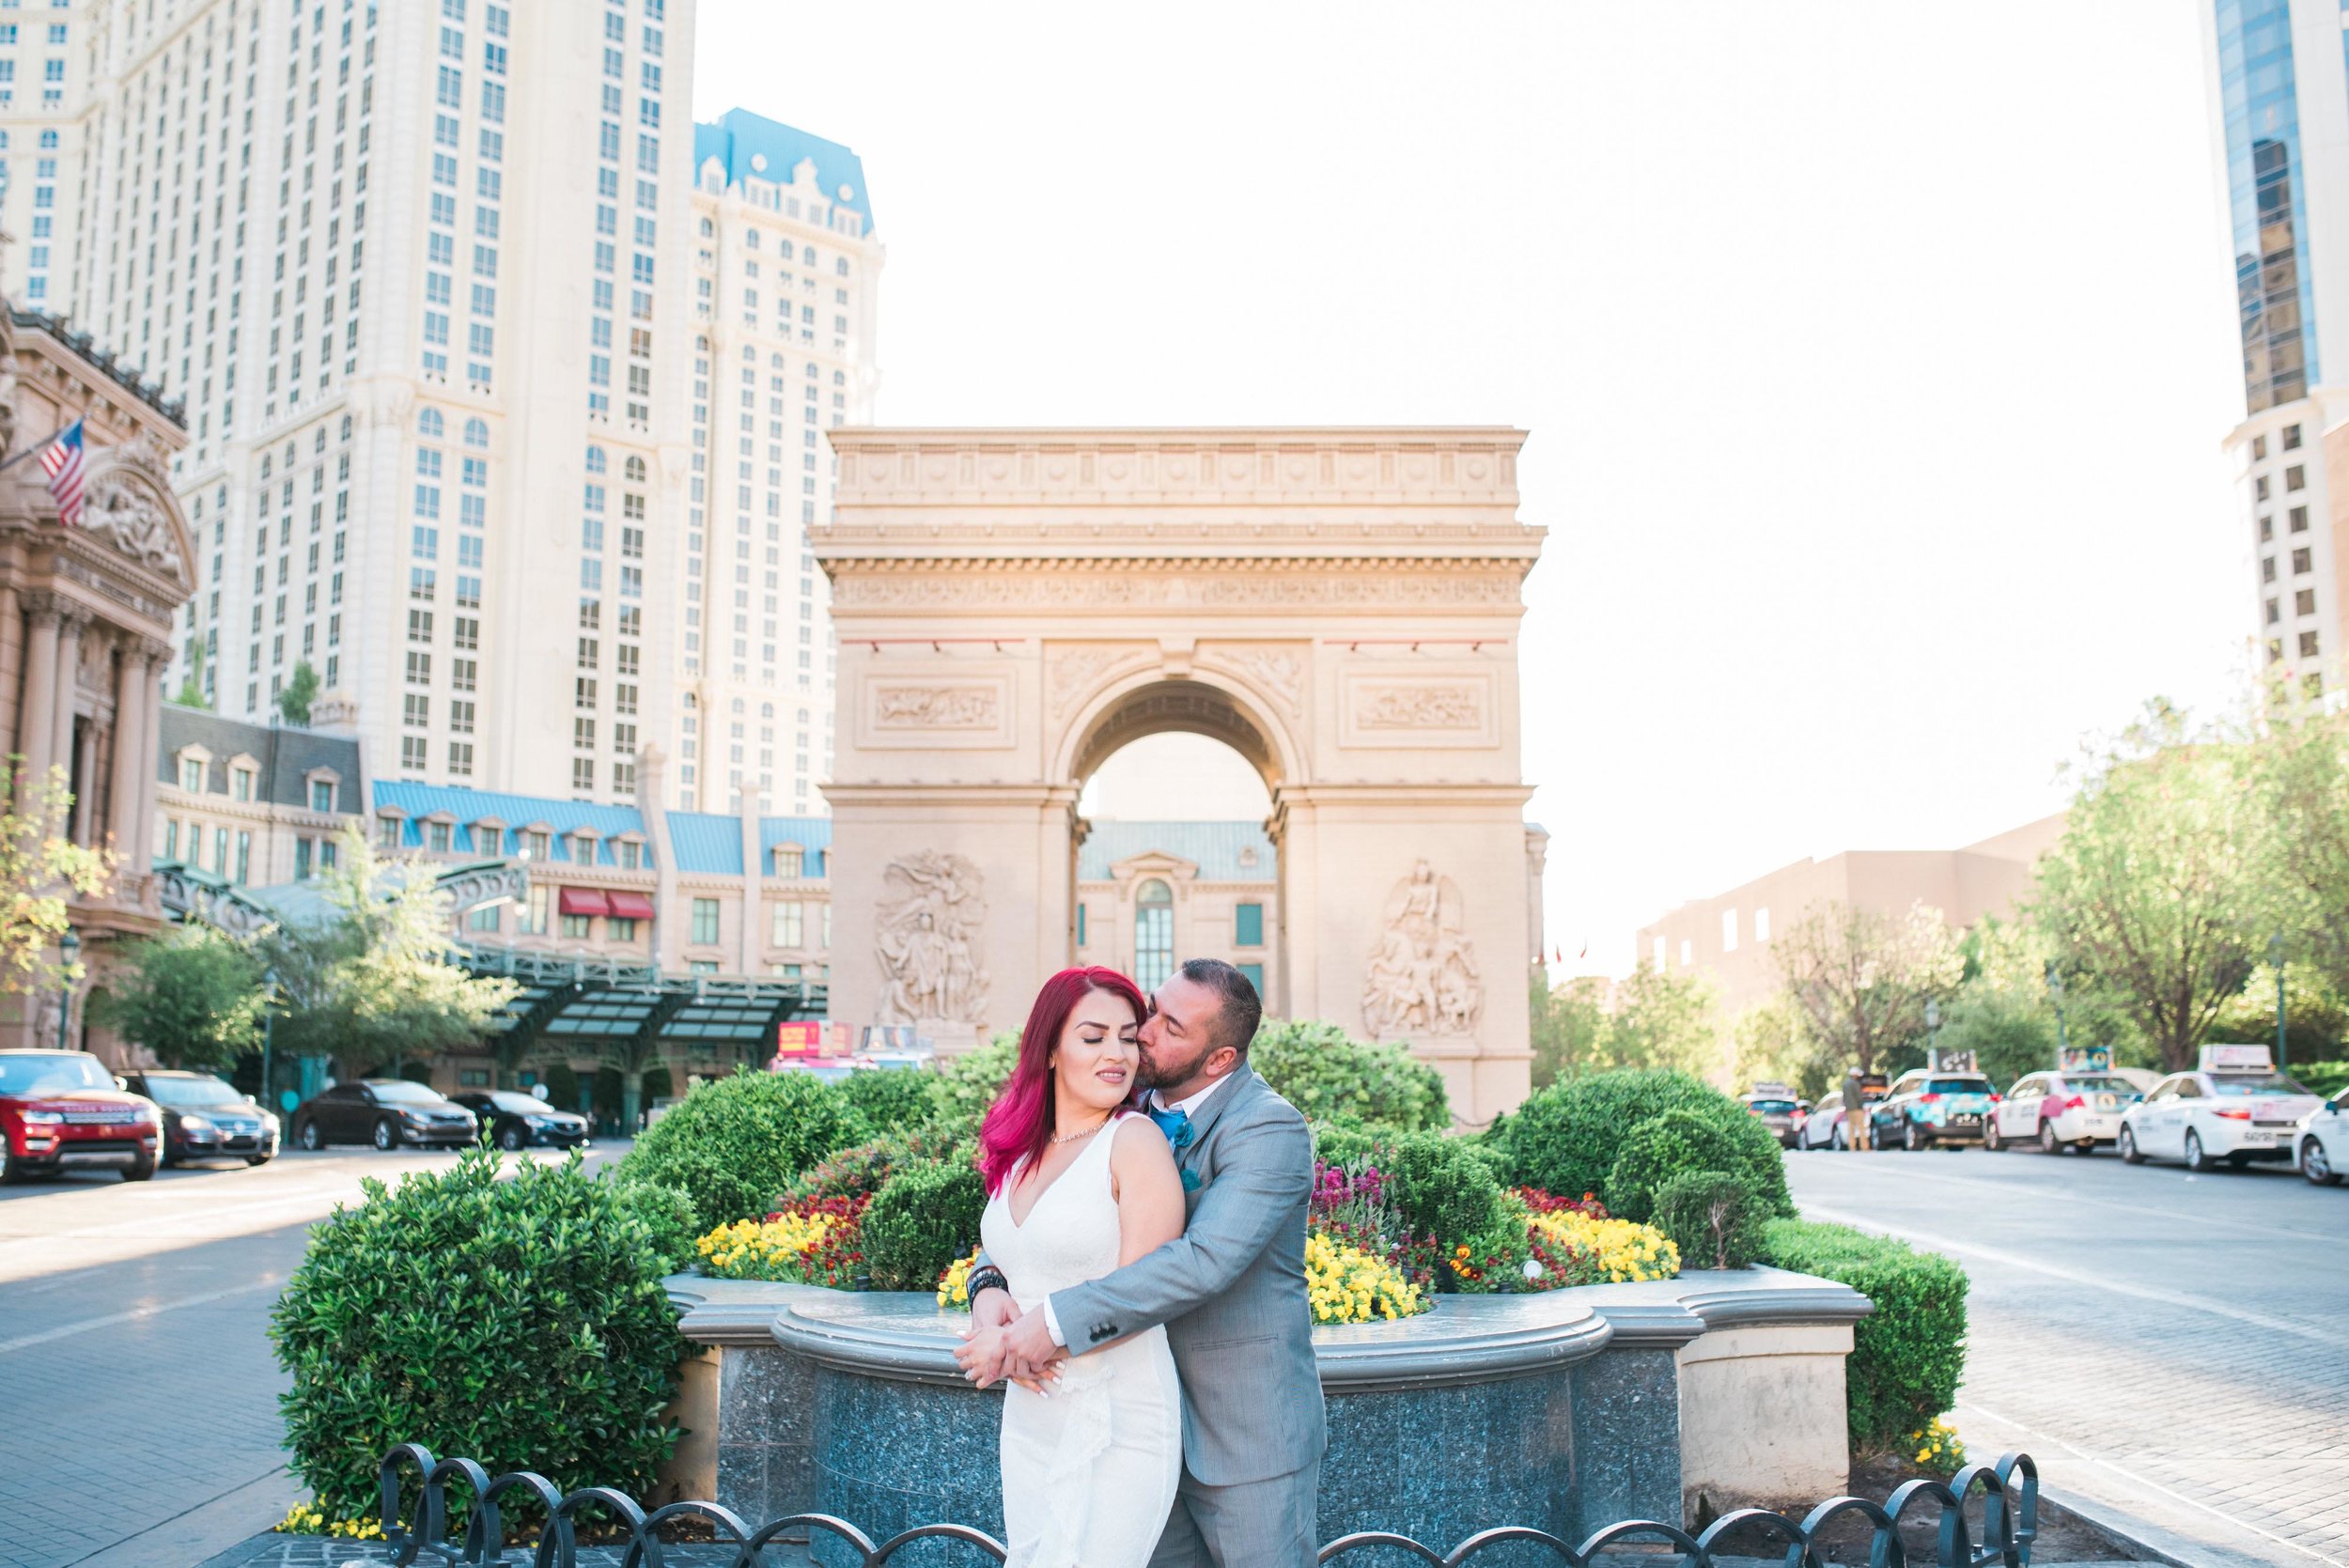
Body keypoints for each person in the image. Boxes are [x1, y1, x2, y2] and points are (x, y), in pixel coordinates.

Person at [957, 958, 1324, 1568]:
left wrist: (1046, 1328)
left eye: (1169, 1026)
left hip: (1241, 1438)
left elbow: (1202, 1261)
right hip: (1121, 1413)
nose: (1143, 1033)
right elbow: (1040, 1222)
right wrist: (988, 1282)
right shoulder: (1118, 1106)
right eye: (1152, 1009)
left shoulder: (1269, 1128)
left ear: (1220, 1059)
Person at [967, 966, 1188, 1568]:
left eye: (1127, 1037)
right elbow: (1009, 1252)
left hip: (1119, 1410)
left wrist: (1016, 1347)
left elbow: (1141, 1294)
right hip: (1033, 1407)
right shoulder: (1023, 1148)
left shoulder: (1134, 1141)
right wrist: (986, 1299)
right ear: (1050, 1051)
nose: (1116, 1054)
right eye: (1094, 1038)